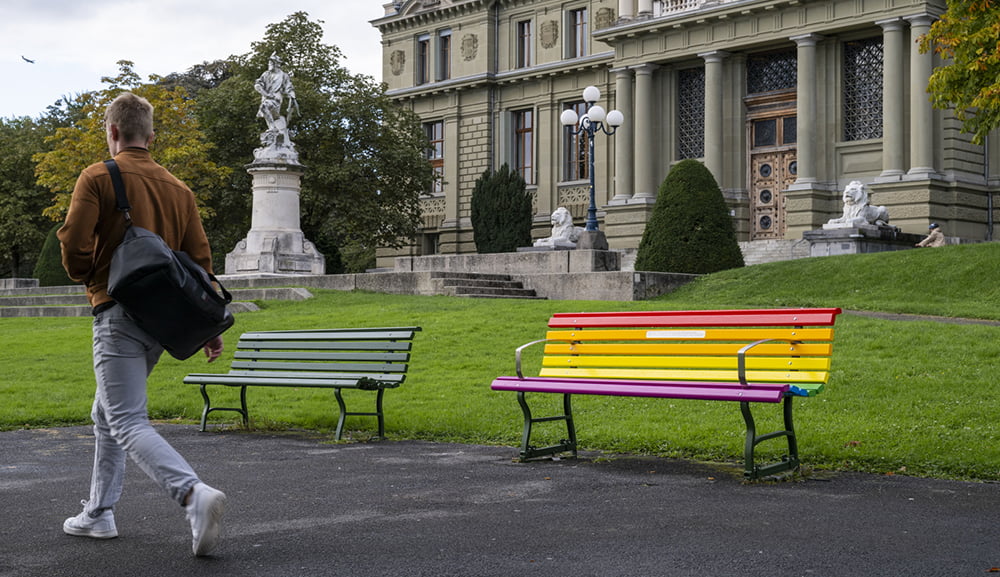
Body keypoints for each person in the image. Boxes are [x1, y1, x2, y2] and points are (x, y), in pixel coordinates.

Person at [57, 92, 227, 557]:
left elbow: (74, 246)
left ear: (112, 131)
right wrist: (210, 326)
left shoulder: (97, 176)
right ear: (151, 137)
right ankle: (99, 512)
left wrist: (88, 275)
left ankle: (192, 494)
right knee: (106, 413)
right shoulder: (179, 189)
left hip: (118, 312)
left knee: (126, 419)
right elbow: (200, 263)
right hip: (163, 321)